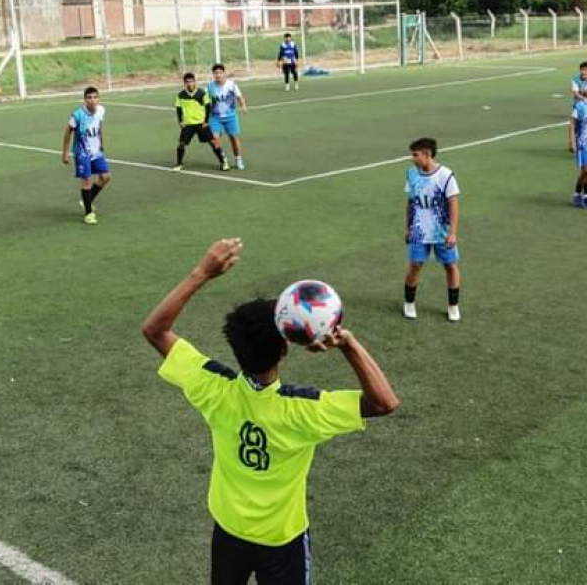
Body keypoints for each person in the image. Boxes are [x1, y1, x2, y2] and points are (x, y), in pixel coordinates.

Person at [142, 238, 400, 585]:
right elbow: (384, 402)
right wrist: (349, 345)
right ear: (285, 347)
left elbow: (155, 330)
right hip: (282, 540)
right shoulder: (304, 410)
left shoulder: (213, 388)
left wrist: (201, 273)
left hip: (228, 529)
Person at [402, 137, 461, 322]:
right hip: (419, 230)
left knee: (450, 266)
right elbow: (411, 202)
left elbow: (453, 204)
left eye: (415, 154)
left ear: (427, 154)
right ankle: (409, 303)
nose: (412, 158)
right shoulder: (412, 174)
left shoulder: (445, 175)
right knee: (415, 265)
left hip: (441, 231)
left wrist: (452, 232)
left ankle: (453, 306)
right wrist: (408, 227)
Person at [61, 87, 110, 226]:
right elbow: (67, 133)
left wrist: (102, 142)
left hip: (96, 151)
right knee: (87, 181)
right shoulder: (77, 115)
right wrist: (65, 153)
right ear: (85, 100)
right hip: (82, 153)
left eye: (95, 97)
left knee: (105, 177)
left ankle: (86, 201)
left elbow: (99, 126)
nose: (92, 100)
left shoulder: (101, 110)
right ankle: (89, 214)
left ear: (99, 99)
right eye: (89, 97)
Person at [173, 72, 225, 171]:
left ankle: (223, 162)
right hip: (188, 124)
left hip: (201, 123)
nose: (189, 84)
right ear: (184, 83)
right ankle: (179, 164)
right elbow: (178, 109)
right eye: (187, 82)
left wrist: (206, 121)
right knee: (181, 144)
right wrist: (180, 121)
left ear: (195, 82)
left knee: (213, 142)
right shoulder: (180, 95)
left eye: (191, 81)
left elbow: (208, 107)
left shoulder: (201, 93)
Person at [207, 64, 248, 171]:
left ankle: (238, 159)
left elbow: (239, 96)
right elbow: (203, 99)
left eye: (220, 72)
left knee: (234, 138)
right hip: (215, 117)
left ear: (224, 73)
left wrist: (243, 105)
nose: (218, 75)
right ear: (213, 74)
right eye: (216, 73)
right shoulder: (209, 86)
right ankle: (223, 159)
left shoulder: (231, 85)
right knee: (214, 139)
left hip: (230, 117)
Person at [569, 61, 587, 153]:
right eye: (582, 70)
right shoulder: (575, 79)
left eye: (586, 70)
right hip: (579, 106)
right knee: (574, 125)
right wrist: (585, 98)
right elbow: (575, 93)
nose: (583, 72)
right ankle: (573, 144)